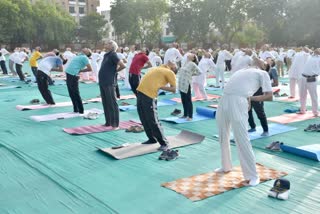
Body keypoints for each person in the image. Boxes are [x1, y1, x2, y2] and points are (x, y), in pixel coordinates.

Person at [215, 66, 273, 186]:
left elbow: (269, 96)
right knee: (222, 134)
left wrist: (250, 98)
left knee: (241, 138)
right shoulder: (241, 70)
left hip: (239, 100)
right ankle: (226, 166)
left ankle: (252, 175)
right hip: (224, 98)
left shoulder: (263, 73)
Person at [136, 60, 177, 151]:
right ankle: (152, 138)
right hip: (141, 93)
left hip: (150, 96)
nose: (171, 61)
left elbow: (174, 89)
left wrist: (160, 87)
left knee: (152, 120)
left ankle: (164, 143)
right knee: (143, 117)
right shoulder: (160, 67)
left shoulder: (170, 72)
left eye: (174, 63)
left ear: (174, 68)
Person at [99, 40, 126, 129]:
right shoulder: (106, 55)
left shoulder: (113, 54)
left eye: (107, 43)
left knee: (112, 103)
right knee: (105, 102)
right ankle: (108, 122)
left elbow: (122, 65)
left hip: (109, 82)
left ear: (112, 46)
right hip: (103, 81)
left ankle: (115, 124)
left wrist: (114, 72)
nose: (105, 44)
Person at [65, 48, 93, 114]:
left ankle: (81, 110)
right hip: (69, 74)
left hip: (73, 75)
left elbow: (90, 68)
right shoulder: (79, 55)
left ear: (87, 53)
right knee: (71, 93)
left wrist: (80, 70)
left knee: (75, 93)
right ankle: (76, 109)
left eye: (87, 49)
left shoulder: (85, 57)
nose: (86, 48)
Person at [178, 53, 201, 120]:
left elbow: (199, 72)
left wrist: (191, 74)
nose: (189, 54)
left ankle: (190, 116)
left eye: (192, 55)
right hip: (181, 83)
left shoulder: (192, 64)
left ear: (193, 58)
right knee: (183, 100)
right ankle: (185, 114)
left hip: (187, 83)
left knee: (188, 100)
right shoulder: (185, 63)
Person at [298, 48, 320, 117]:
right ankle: (302, 110)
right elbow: (306, 49)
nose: (318, 49)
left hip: (312, 78)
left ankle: (315, 112)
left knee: (313, 96)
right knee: (302, 95)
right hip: (303, 77)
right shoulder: (311, 55)